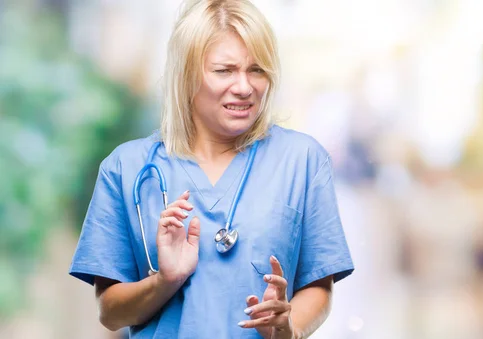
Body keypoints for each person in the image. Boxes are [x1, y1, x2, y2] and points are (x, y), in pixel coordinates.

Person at [68, 0, 354, 338]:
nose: (245, 87)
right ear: (187, 74)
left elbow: (319, 286)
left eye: (257, 70)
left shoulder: (302, 160)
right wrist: (165, 280)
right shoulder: (126, 168)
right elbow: (110, 312)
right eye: (225, 70)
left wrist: (287, 328)